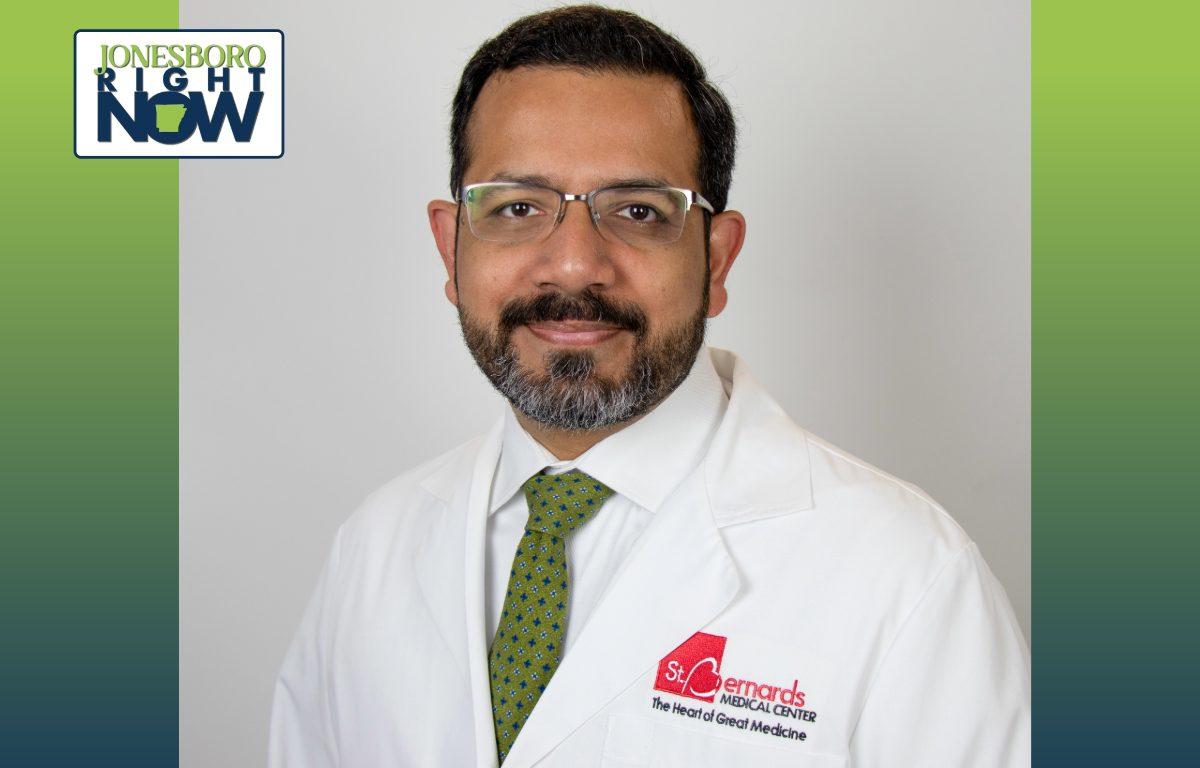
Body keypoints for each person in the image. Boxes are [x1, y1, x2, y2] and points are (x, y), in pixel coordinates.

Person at [268, 5, 1030, 767]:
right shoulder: (374, 549)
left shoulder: (909, 581)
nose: (573, 265)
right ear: (450, 246)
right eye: (517, 207)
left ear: (717, 259)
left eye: (637, 210)